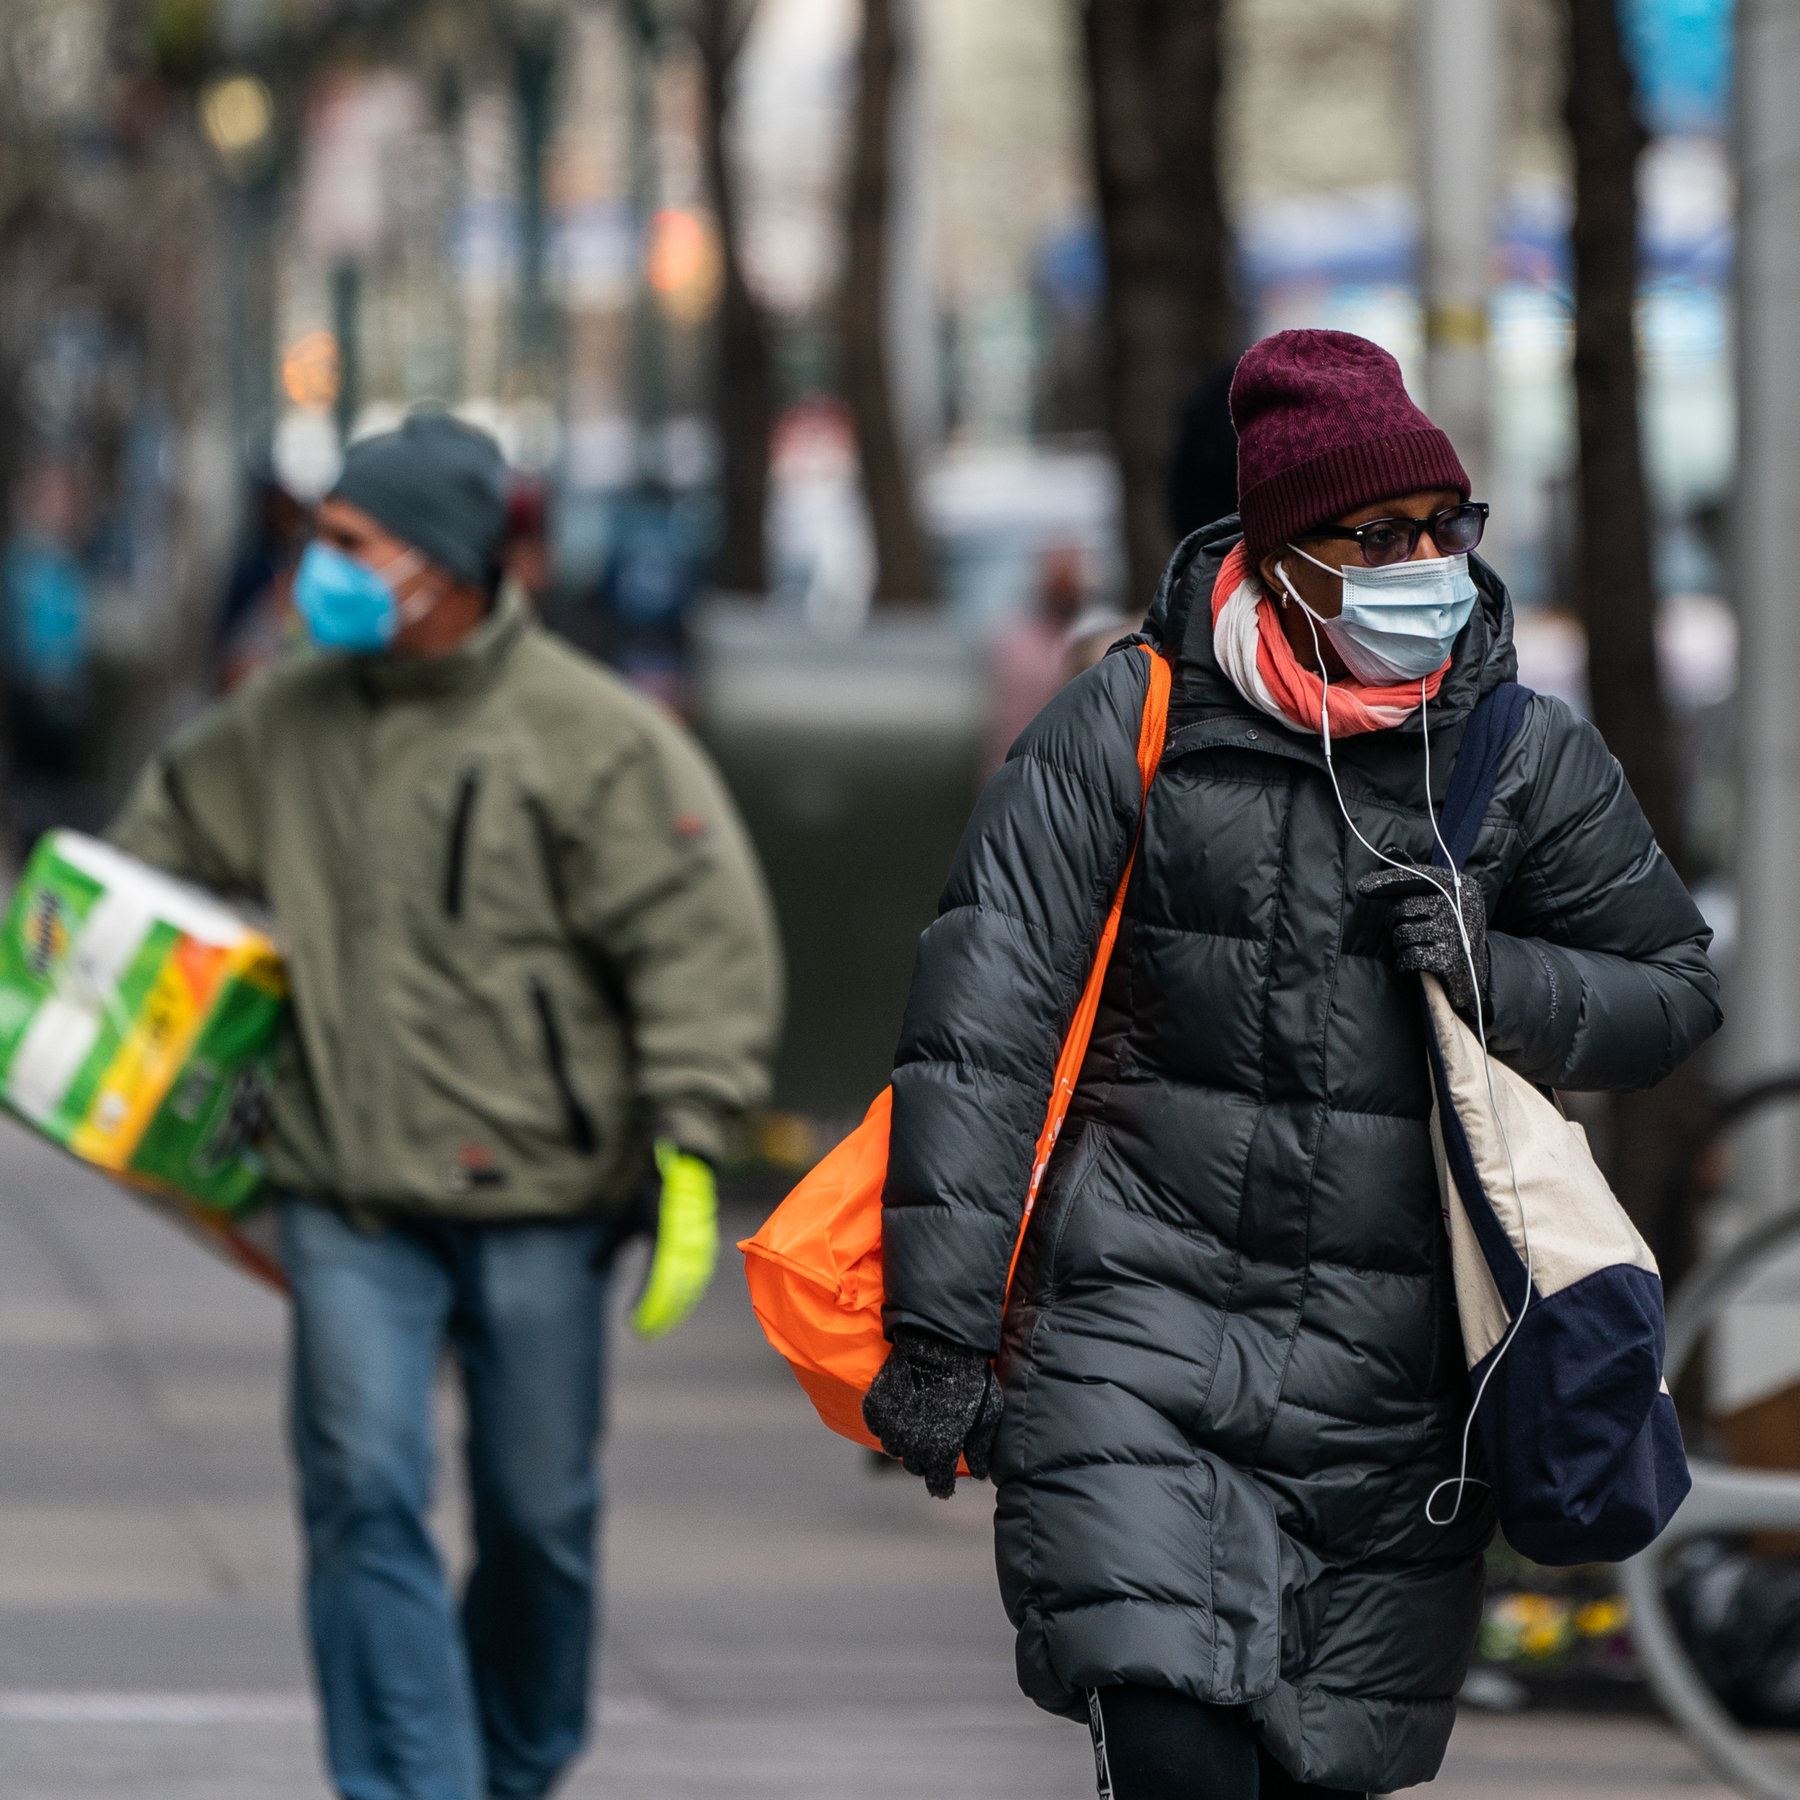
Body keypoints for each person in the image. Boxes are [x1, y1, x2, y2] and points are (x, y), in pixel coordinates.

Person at [860, 330, 1720, 1799]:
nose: (1426, 561)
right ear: (1280, 556)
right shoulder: (1125, 724)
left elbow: (1673, 990)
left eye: (1447, 528)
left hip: (1398, 1409)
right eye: (1376, 536)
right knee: (1180, 1754)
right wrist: (939, 1335)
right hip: (1136, 1350)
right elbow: (979, 1033)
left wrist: (1489, 968)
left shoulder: (1519, 756)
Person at [110, 411, 784, 1800]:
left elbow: (697, 935)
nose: (319, 569)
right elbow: (143, 870)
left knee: (539, 1521)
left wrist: (689, 1142)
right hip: (347, 1193)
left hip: (544, 1200)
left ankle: (517, 1761)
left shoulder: (592, 737)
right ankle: (417, 1786)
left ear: (445, 562)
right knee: (360, 1493)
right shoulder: (281, 724)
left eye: (352, 544)